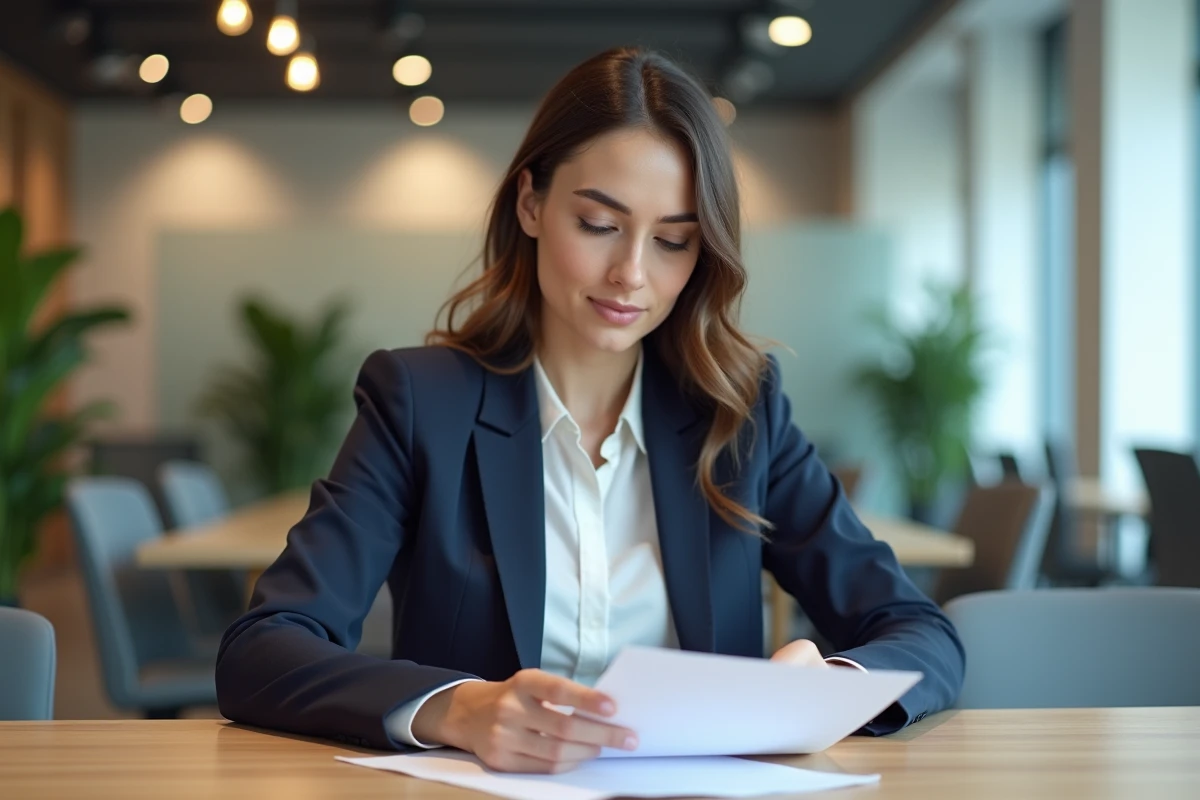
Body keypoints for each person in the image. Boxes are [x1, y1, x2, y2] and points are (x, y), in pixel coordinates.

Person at [216, 46, 964, 774]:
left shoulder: (739, 412)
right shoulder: (421, 405)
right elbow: (264, 648)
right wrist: (457, 708)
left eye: (673, 241)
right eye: (599, 225)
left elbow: (920, 632)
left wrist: (831, 681)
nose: (631, 274)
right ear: (531, 202)